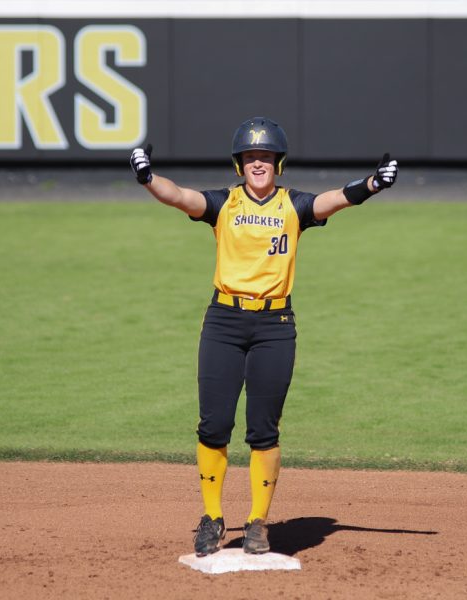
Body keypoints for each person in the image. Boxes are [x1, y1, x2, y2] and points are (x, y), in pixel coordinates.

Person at [129, 117, 398, 556]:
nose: (259, 163)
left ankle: (257, 522)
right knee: (213, 425)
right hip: (223, 322)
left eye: (266, 157)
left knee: (263, 430)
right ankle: (212, 518)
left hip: (275, 328)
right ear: (239, 164)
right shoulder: (223, 204)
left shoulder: (292, 206)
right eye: (251, 157)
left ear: (278, 163)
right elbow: (179, 197)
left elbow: (334, 200)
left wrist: (372, 183)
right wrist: (147, 178)